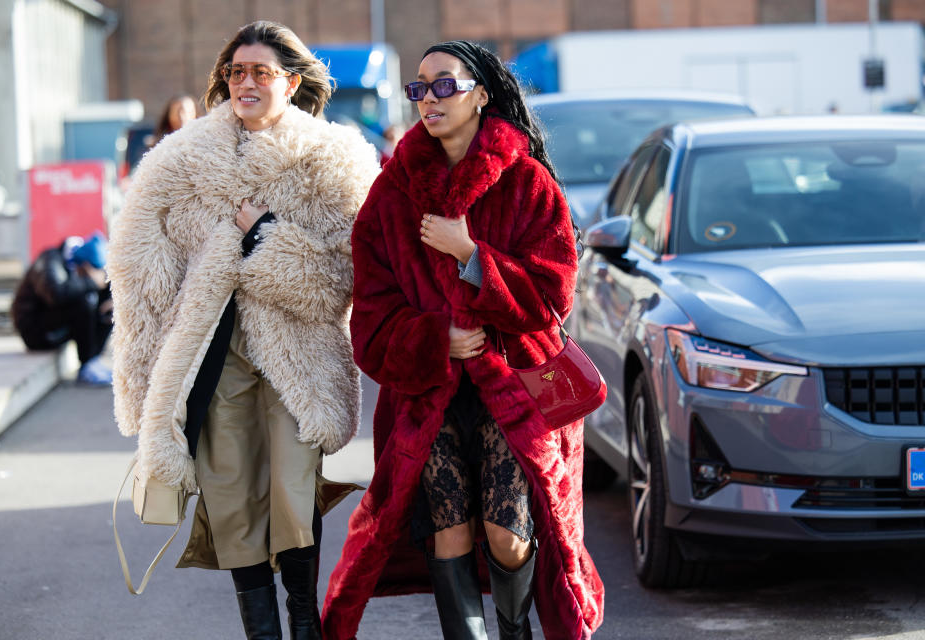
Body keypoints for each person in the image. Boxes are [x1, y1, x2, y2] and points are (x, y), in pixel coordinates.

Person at [106, 21, 379, 640]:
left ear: (292, 80)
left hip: (296, 353)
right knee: (230, 496)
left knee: (291, 491)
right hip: (211, 356)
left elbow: (346, 275)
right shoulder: (176, 161)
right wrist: (143, 381)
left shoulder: (335, 159)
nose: (246, 83)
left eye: (261, 71)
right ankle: (263, 632)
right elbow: (138, 274)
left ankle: (305, 623)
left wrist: (266, 237)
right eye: (236, 72)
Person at [322, 41, 604, 640]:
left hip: (516, 389)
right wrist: (433, 339)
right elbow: (369, 323)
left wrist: (472, 256)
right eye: (418, 88)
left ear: (480, 94)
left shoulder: (526, 182)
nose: (429, 98)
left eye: (444, 85)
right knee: (447, 532)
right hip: (428, 394)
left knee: (507, 535)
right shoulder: (390, 196)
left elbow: (553, 296)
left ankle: (515, 631)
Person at [11, 232, 113, 386]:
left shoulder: (78, 266)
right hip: (35, 332)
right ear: (84, 266)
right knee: (83, 302)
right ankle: (87, 365)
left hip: (59, 325)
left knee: (110, 309)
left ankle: (93, 361)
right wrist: (90, 282)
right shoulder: (49, 260)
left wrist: (111, 299)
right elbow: (55, 294)